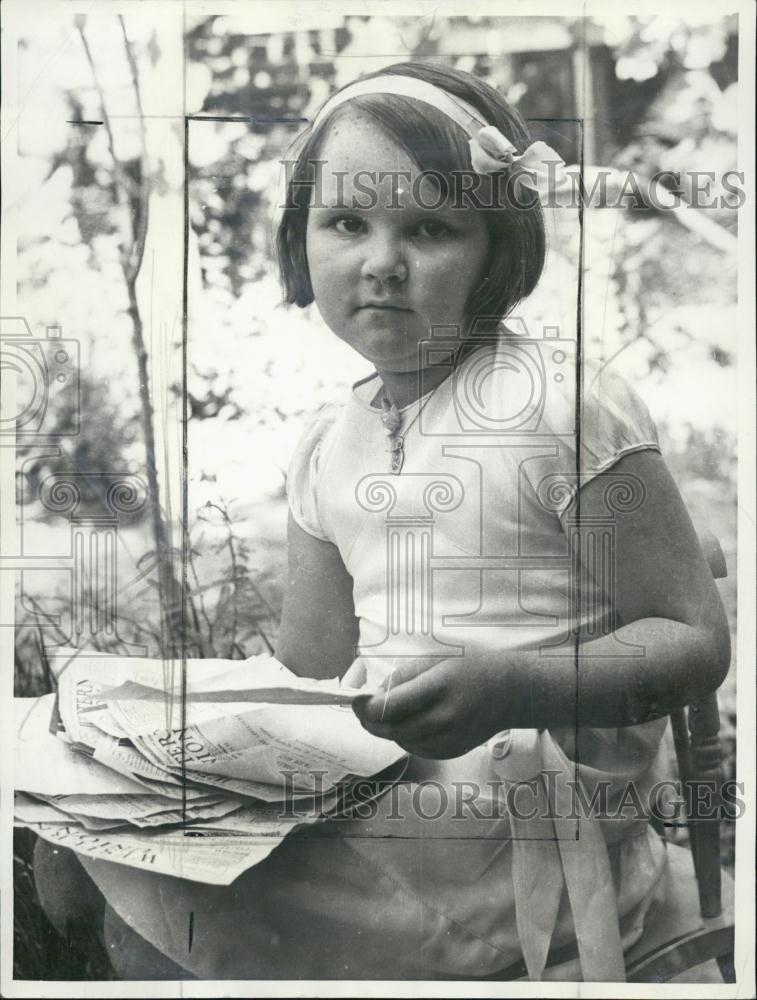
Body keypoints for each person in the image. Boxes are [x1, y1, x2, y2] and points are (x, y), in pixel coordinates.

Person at [34, 60, 730, 982]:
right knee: (84, 821)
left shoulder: (566, 406)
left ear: (498, 248)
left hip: (528, 829)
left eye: (431, 228)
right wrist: (188, 734)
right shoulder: (331, 440)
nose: (381, 262)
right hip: (381, 787)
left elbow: (691, 637)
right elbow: (313, 673)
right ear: (301, 237)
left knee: (135, 875)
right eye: (347, 223)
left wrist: (513, 685)